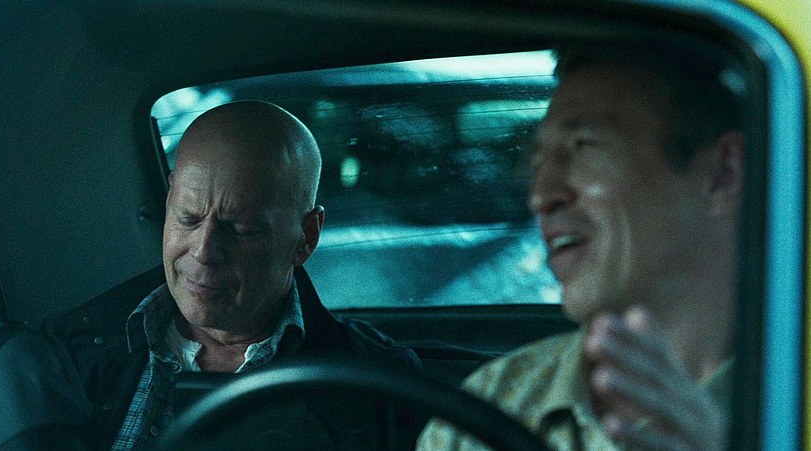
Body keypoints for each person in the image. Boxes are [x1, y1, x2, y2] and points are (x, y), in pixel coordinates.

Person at [416, 41, 743, 450]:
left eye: (584, 146)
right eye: (538, 161)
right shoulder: (492, 402)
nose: (541, 196)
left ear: (723, 175)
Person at [46, 100, 420, 450]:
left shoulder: (377, 384)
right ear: (169, 200)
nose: (203, 251)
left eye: (241, 229)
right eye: (187, 218)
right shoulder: (67, 348)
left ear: (305, 237)